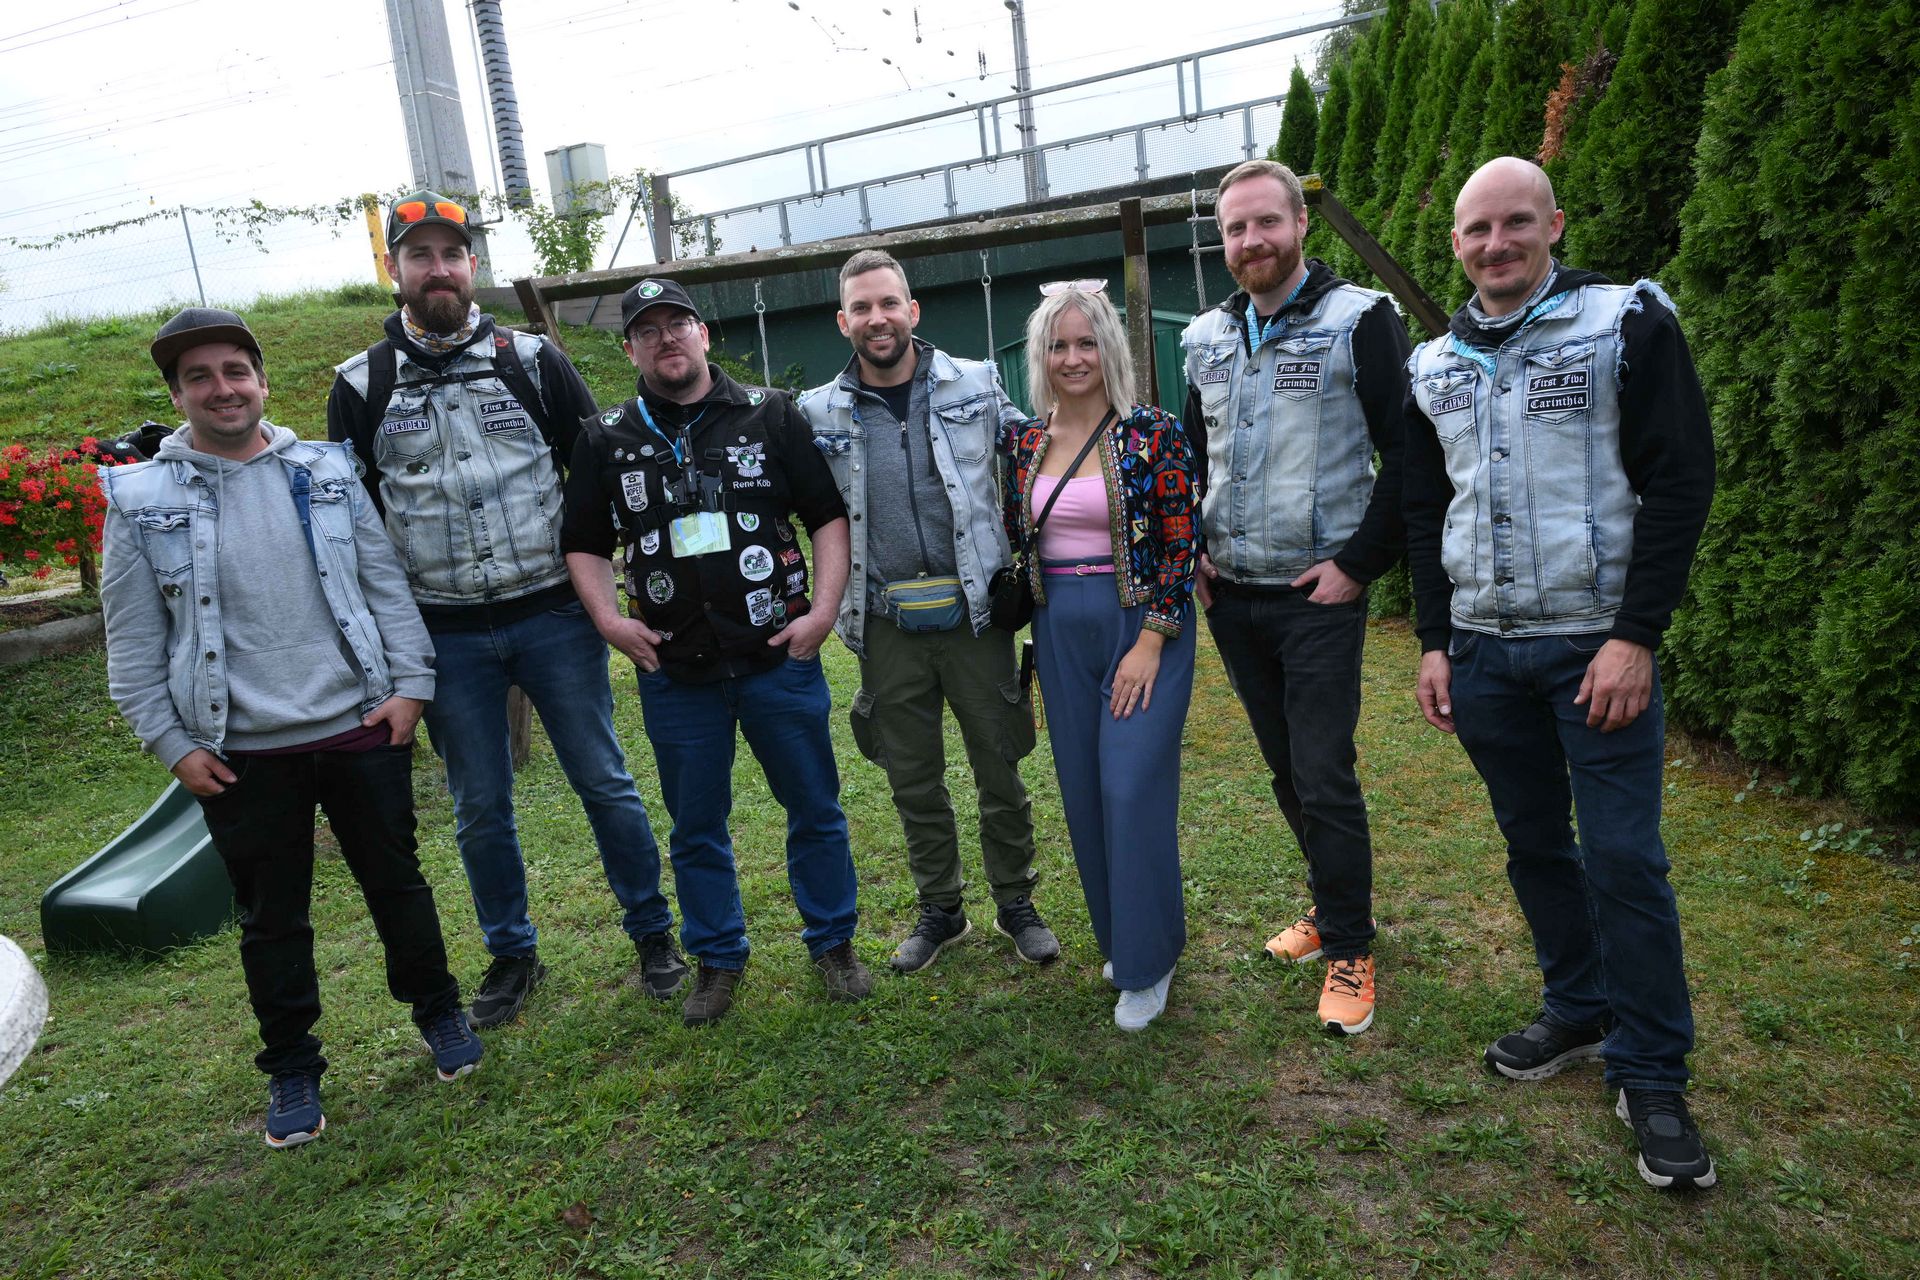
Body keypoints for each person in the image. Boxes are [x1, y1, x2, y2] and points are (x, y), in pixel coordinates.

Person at [1403, 157, 1717, 1189]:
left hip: (1596, 649)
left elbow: (1681, 478)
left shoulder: (1625, 323)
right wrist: (1436, 640)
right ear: (1456, 243)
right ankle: (1580, 1007)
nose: (1495, 244)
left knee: (1623, 857)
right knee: (1535, 842)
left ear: (1555, 225)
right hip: (1484, 652)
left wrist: (1637, 635)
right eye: (1476, 229)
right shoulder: (1432, 364)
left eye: (1516, 223)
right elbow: (1426, 507)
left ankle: (1652, 1072)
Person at [102, 307, 481, 1149]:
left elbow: (384, 586)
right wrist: (172, 744)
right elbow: (131, 645)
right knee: (272, 919)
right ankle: (292, 1067)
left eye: (235, 370)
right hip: (241, 752)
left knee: (399, 885)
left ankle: (440, 1013)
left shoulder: (328, 472)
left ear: (262, 382)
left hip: (359, 726)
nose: (222, 388)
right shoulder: (140, 502)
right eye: (199, 377)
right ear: (176, 395)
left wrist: (411, 688)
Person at [328, 192, 686, 1029]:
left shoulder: (532, 361)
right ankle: (512, 952)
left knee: (604, 779)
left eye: (453, 254)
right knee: (479, 804)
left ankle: (653, 933)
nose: (439, 269)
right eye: (420, 255)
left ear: (472, 266)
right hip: (443, 632)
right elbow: (354, 521)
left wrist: (609, 589)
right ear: (394, 270)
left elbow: (593, 475)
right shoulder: (362, 383)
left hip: (552, 617)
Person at [562, 277, 871, 1027]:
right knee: (696, 826)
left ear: (704, 334)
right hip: (677, 669)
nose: (666, 338)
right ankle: (718, 958)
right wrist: (609, 621)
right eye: (648, 330)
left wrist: (824, 611)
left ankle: (834, 944)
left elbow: (826, 516)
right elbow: (584, 542)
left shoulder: (771, 413)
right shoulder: (605, 436)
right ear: (630, 349)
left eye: (679, 323)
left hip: (777, 656)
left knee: (815, 808)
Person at [1180, 159, 1411, 1036]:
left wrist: (1359, 563)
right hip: (1233, 596)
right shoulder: (1205, 336)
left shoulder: (1360, 320)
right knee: (1285, 767)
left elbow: (1408, 454)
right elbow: (1191, 457)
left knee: (1323, 772)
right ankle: (1331, 902)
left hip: (1317, 595)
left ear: (1301, 224)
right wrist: (1192, 553)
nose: (1252, 241)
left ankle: (1351, 946)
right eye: (1235, 229)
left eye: (1266, 222)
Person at [798, 249, 1056, 976]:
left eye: (889, 303)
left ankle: (1016, 902)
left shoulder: (975, 382)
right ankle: (941, 908)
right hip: (887, 624)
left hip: (976, 616)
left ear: (912, 310)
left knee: (999, 765)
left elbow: (1037, 453)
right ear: (843, 321)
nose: (877, 318)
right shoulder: (817, 412)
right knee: (912, 778)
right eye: (861, 307)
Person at [1002, 282, 1198, 1031]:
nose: (1073, 358)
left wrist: (1151, 639)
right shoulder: (1025, 441)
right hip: (1059, 628)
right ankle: (1131, 941)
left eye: (1087, 342)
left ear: (1109, 347)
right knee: (1084, 792)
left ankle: (1148, 967)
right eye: (1059, 345)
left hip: (1140, 627)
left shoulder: (1152, 432)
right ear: (1041, 355)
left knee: (1130, 787)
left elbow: (1182, 542)